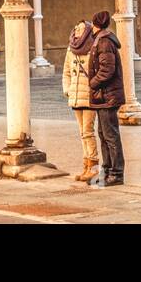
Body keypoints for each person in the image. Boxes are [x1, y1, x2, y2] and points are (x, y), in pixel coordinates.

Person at [87, 10, 126, 186]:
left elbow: (107, 69)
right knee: (103, 134)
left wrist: (93, 83)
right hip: (104, 95)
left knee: (110, 135)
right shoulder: (102, 40)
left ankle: (116, 173)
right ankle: (107, 170)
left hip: (107, 94)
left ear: (95, 24)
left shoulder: (104, 42)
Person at [63, 20, 99, 183]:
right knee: (82, 133)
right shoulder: (71, 49)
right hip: (76, 96)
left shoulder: (93, 48)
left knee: (88, 131)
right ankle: (86, 165)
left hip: (89, 96)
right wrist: (68, 89)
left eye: (81, 28)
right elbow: (66, 72)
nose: (77, 30)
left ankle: (93, 165)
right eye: (76, 27)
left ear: (88, 32)